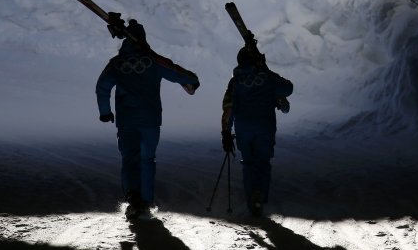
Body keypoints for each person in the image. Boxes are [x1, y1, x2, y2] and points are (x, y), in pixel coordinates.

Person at [96, 19, 200, 220]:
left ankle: (132, 197)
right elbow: (179, 73)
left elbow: (102, 87)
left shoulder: (116, 63)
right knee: (147, 160)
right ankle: (145, 201)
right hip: (150, 121)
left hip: (126, 121)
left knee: (129, 159)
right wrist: (192, 81)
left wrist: (105, 111)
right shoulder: (154, 61)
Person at [221, 47, 293, 217]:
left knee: (248, 163)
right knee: (263, 162)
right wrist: (266, 70)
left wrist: (225, 131)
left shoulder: (235, 81)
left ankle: (251, 201)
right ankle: (260, 197)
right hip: (265, 127)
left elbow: (229, 108)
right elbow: (288, 88)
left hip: (243, 128)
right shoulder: (267, 77)